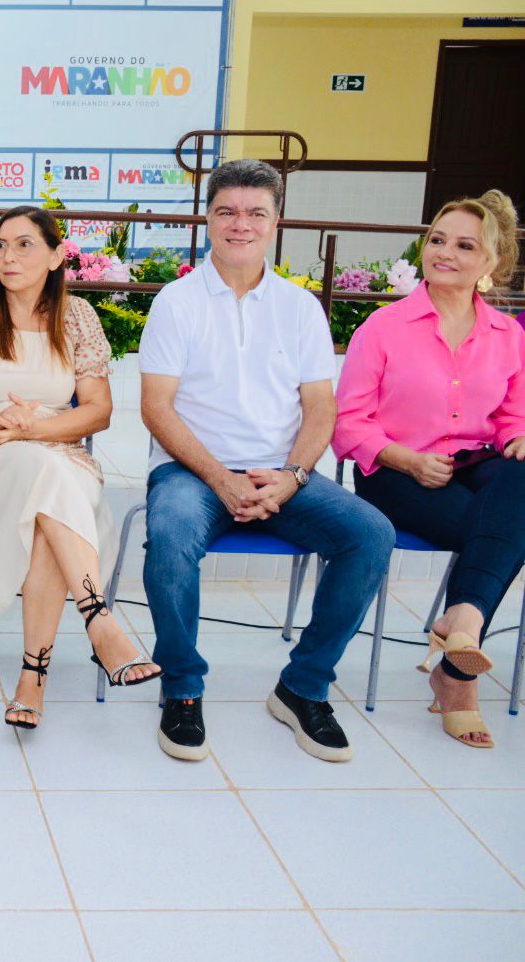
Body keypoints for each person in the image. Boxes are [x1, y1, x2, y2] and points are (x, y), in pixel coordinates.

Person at [138, 158, 394, 764]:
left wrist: (291, 477)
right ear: (207, 218)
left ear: (276, 222)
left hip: (282, 472)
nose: (240, 224)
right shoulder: (177, 302)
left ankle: (302, 687)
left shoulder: (299, 307)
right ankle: (182, 686)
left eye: (255, 212)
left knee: (370, 534)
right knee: (170, 535)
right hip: (193, 471)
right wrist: (221, 479)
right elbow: (157, 409)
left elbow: (321, 410)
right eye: (226, 211)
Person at [0, 206, 159, 729]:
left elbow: (98, 410)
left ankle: (33, 676)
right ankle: (97, 621)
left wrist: (32, 430)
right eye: (0, 245)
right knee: (45, 477)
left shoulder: (78, 319)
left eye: (24, 245)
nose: (7, 256)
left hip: (58, 455)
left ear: (55, 256)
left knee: (47, 485)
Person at [334, 190, 525, 748]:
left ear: (490, 264)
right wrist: (408, 460)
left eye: (465, 245)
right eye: (437, 239)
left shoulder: (509, 336)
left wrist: (516, 436)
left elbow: (513, 417)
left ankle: (461, 625)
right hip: (393, 469)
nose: (444, 252)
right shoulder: (383, 328)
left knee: (520, 480)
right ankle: (459, 673)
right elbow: (348, 425)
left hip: (477, 463)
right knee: (507, 532)